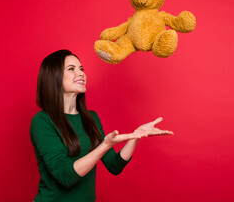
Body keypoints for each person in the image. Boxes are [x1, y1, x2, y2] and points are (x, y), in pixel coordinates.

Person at [30, 49, 173, 202]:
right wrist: (104, 145)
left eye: (81, 69)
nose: (81, 74)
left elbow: (114, 166)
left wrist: (136, 136)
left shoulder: (91, 118)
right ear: (53, 77)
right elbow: (65, 176)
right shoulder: (42, 121)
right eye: (71, 69)